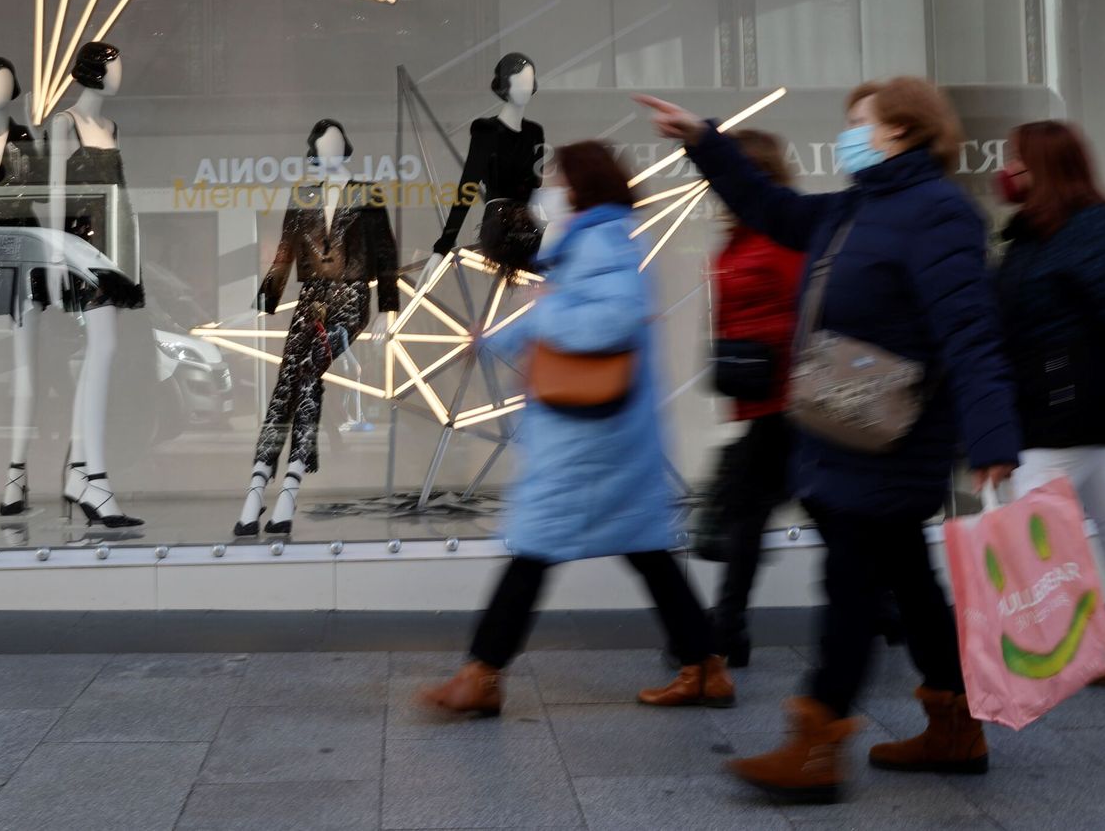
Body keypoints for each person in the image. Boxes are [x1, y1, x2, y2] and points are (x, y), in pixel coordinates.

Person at [636, 78, 1020, 802]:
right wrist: (705, 143)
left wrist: (994, 435)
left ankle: (817, 743)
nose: (847, 133)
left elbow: (971, 333)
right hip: (846, 422)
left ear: (900, 132)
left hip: (893, 433)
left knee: (850, 579)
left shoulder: (939, 214)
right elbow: (772, 209)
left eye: (858, 122)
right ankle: (954, 727)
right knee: (907, 579)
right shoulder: (859, 206)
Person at [418, 140, 735, 716]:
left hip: (591, 437)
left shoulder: (601, 240)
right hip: (601, 432)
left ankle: (482, 676)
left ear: (580, 187)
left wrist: (538, 314)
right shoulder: (592, 240)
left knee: (536, 550)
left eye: (557, 180)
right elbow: (568, 316)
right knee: (644, 551)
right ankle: (705, 666)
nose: (549, 191)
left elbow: (607, 318)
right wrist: (495, 340)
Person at [994, 120, 1105, 686]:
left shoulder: (1093, 228)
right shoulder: (1032, 234)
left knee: (1025, 516)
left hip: (1073, 405)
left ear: (1044, 168)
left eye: (1015, 159)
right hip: (1053, 402)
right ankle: (1095, 644)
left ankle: (1077, 646)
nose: (1006, 171)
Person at [695, 129, 804, 666]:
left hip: (789, 399)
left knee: (746, 513)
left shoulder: (781, 235)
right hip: (762, 397)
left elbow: (804, 309)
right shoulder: (742, 235)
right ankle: (886, 606)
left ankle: (728, 629)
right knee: (765, 511)